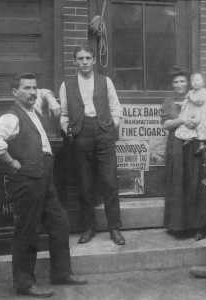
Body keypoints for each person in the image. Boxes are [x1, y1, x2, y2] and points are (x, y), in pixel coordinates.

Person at [0, 73, 87, 298]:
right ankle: (24, 283)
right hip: (26, 182)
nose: (33, 92)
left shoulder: (35, 108)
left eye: (34, 87)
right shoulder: (11, 117)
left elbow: (44, 92)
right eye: (27, 88)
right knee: (27, 232)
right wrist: (10, 161)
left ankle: (61, 273)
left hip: (45, 180)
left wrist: (50, 99)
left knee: (60, 225)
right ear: (15, 92)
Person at [59, 45, 125, 245]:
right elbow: (63, 113)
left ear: (94, 60)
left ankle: (114, 228)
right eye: (80, 58)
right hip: (81, 135)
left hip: (104, 133)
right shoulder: (66, 84)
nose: (85, 62)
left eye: (88, 58)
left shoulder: (105, 81)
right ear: (75, 61)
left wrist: (110, 125)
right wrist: (68, 130)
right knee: (85, 185)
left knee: (110, 183)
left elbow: (116, 108)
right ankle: (89, 228)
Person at [161, 65, 206, 241]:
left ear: (188, 82)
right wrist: (182, 119)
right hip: (176, 145)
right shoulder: (169, 100)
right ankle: (179, 226)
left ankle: (199, 226)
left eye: (182, 81)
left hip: (196, 144)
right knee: (178, 182)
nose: (179, 84)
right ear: (172, 84)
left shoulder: (197, 96)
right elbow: (166, 124)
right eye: (175, 82)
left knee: (196, 184)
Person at [175, 72, 206, 154]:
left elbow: (199, 101)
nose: (195, 82)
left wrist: (191, 97)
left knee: (201, 128)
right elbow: (186, 100)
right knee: (188, 124)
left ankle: (201, 145)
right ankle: (189, 138)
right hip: (192, 113)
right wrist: (181, 103)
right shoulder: (191, 92)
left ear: (203, 83)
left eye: (197, 80)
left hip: (202, 114)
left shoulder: (204, 92)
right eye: (193, 81)